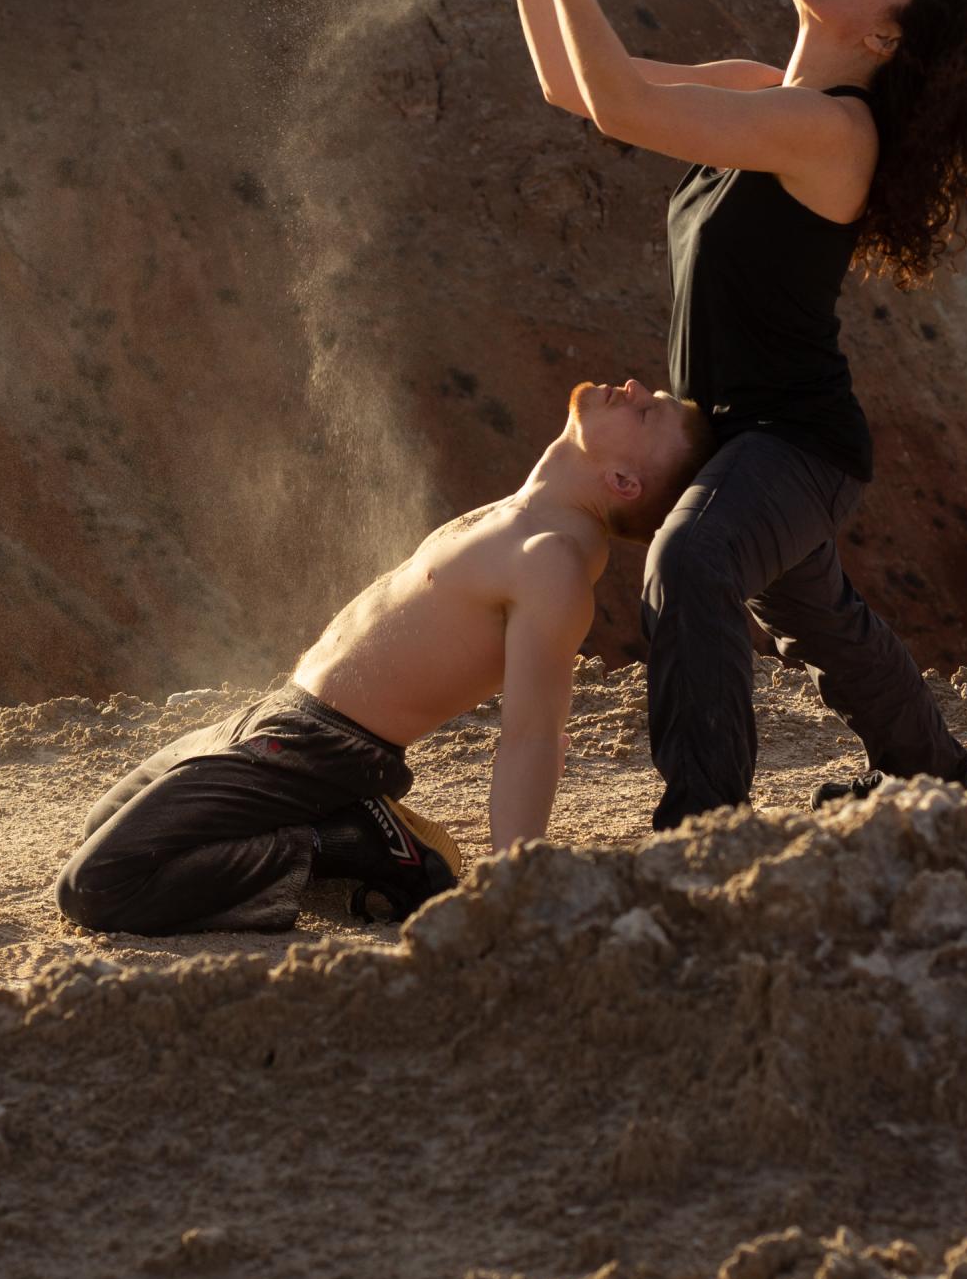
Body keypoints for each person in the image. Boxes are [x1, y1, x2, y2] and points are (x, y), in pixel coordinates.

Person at [501, 0, 967, 826]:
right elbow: (570, 86)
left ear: (881, 38)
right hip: (736, 440)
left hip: (794, 441)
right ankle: (933, 778)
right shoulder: (758, 91)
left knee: (691, 560)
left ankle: (702, 825)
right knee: (821, 620)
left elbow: (618, 107)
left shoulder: (830, 131)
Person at [54, 377, 714, 934]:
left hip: (318, 751)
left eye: (647, 411)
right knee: (102, 828)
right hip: (279, 717)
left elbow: (534, 735)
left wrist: (517, 882)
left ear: (622, 480)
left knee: (98, 886)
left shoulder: (554, 564)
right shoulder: (525, 513)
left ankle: (345, 847)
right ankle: (337, 827)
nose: (631, 389)